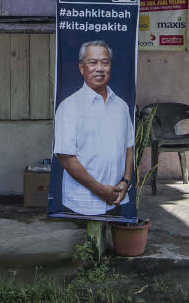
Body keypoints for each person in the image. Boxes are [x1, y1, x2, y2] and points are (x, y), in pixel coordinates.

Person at [53, 40, 135, 217]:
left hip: (117, 197)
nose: (99, 68)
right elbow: (65, 157)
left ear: (110, 67)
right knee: (84, 244)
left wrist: (126, 182)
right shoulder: (69, 107)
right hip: (82, 202)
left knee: (112, 244)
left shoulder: (121, 106)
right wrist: (99, 190)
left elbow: (129, 147)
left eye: (105, 62)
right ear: (82, 68)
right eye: (92, 62)